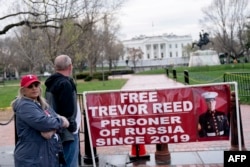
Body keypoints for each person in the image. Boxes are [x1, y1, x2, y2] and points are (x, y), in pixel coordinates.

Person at [12, 74, 69, 167]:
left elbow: (54, 122)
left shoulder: (42, 104)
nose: (34, 88)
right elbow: (44, 123)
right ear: (23, 91)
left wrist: (52, 129)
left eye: (36, 85)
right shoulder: (24, 105)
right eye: (30, 86)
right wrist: (61, 121)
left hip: (47, 155)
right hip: (31, 158)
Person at [45, 55, 81, 167]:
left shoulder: (52, 82)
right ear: (70, 67)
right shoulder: (64, 84)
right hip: (67, 132)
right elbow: (67, 110)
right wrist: (72, 127)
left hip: (57, 128)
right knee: (69, 162)